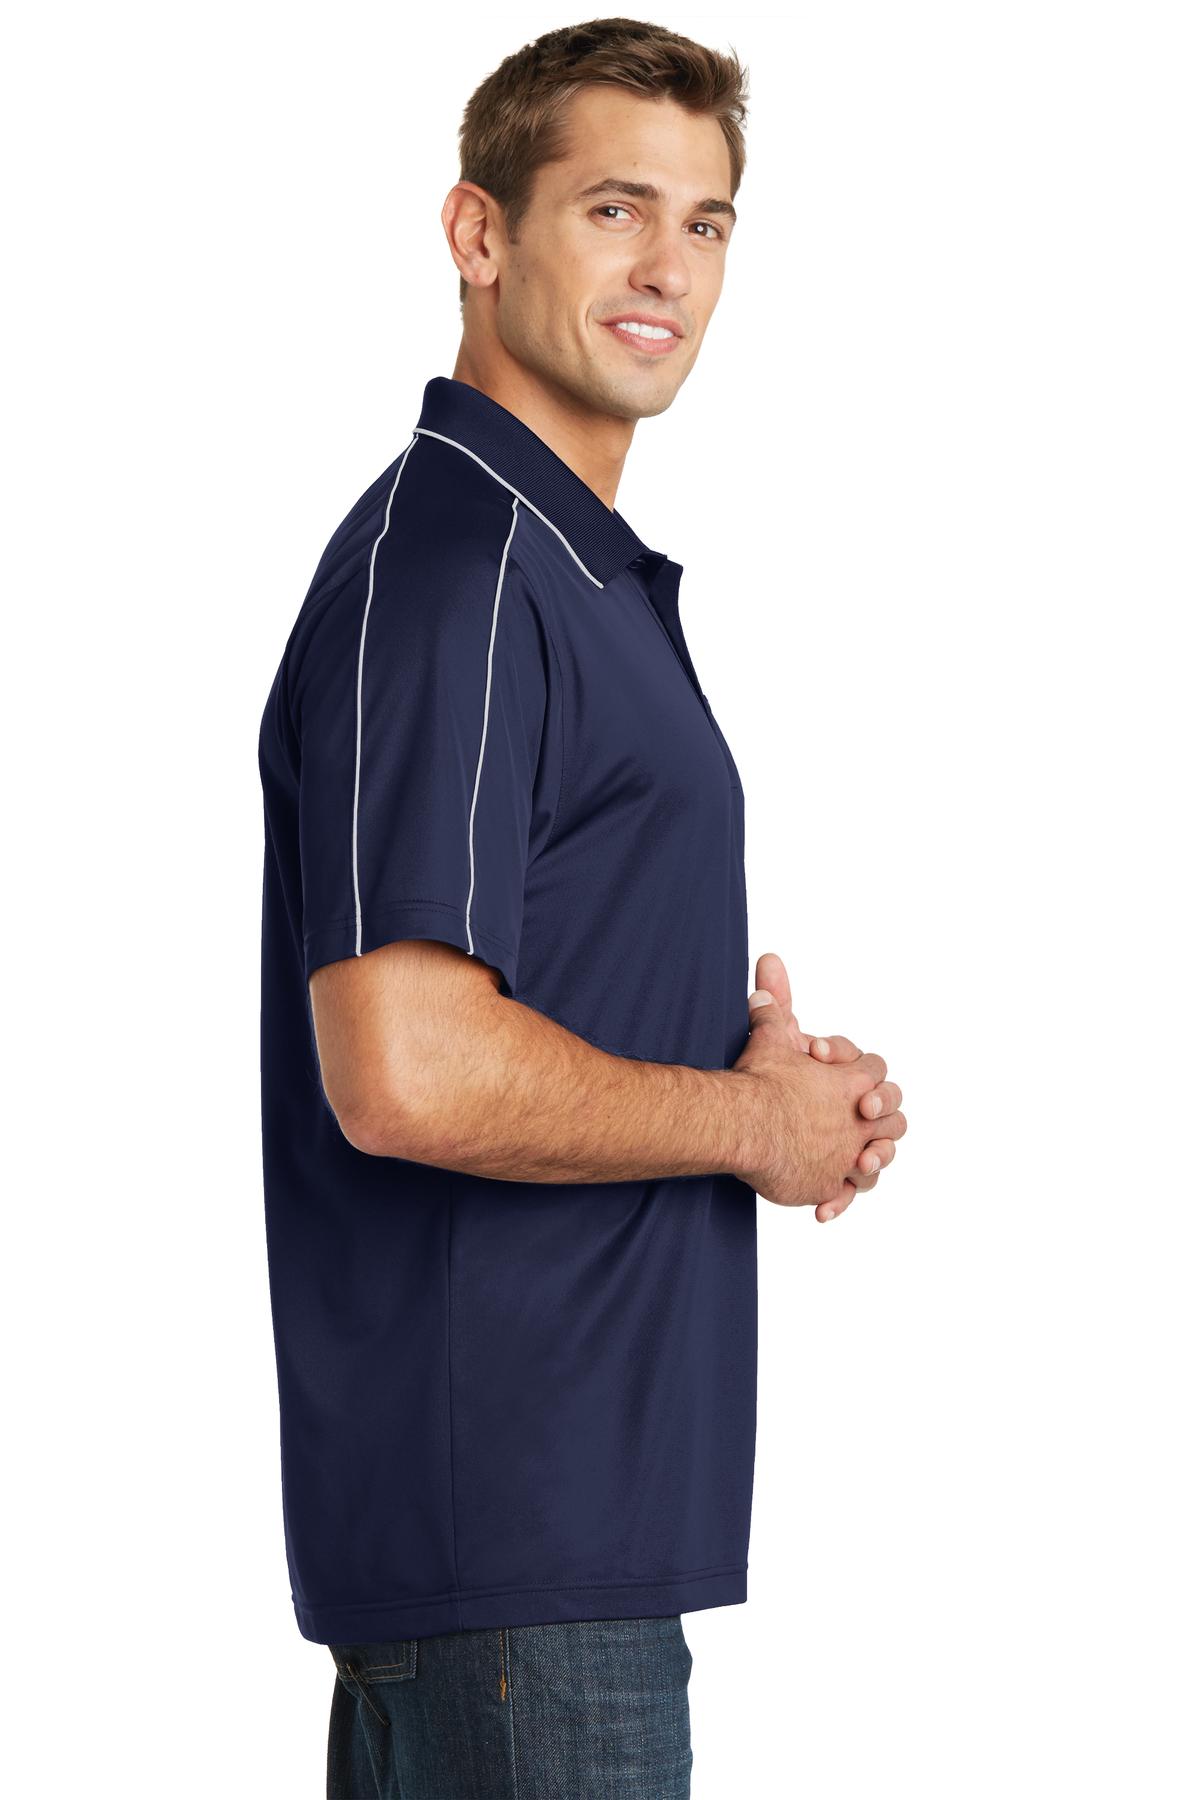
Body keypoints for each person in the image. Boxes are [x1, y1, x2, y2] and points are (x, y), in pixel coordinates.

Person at [257, 19, 907, 1798]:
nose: (667, 268)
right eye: (616, 208)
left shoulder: (557, 567)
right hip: (520, 1565)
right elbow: (405, 1068)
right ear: (479, 232)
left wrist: (760, 1084)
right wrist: (749, 1128)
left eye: (707, 223)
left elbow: (525, 1003)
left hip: (558, 1551)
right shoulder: (459, 570)